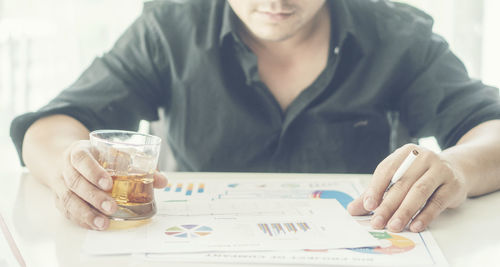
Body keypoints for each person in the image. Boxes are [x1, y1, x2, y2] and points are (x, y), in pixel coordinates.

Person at [10, 0, 500, 233]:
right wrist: (69, 171)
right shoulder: (170, 28)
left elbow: (491, 127)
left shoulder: (397, 35)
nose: (275, 1)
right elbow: (51, 126)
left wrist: (456, 167)